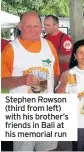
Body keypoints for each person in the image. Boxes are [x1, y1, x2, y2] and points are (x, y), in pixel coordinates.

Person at [1, 11, 60, 151]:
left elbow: (55, 76)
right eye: (28, 26)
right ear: (20, 26)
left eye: (36, 26)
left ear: (41, 27)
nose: (33, 30)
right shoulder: (11, 49)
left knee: (47, 148)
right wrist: (22, 80)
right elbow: (1, 81)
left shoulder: (49, 46)